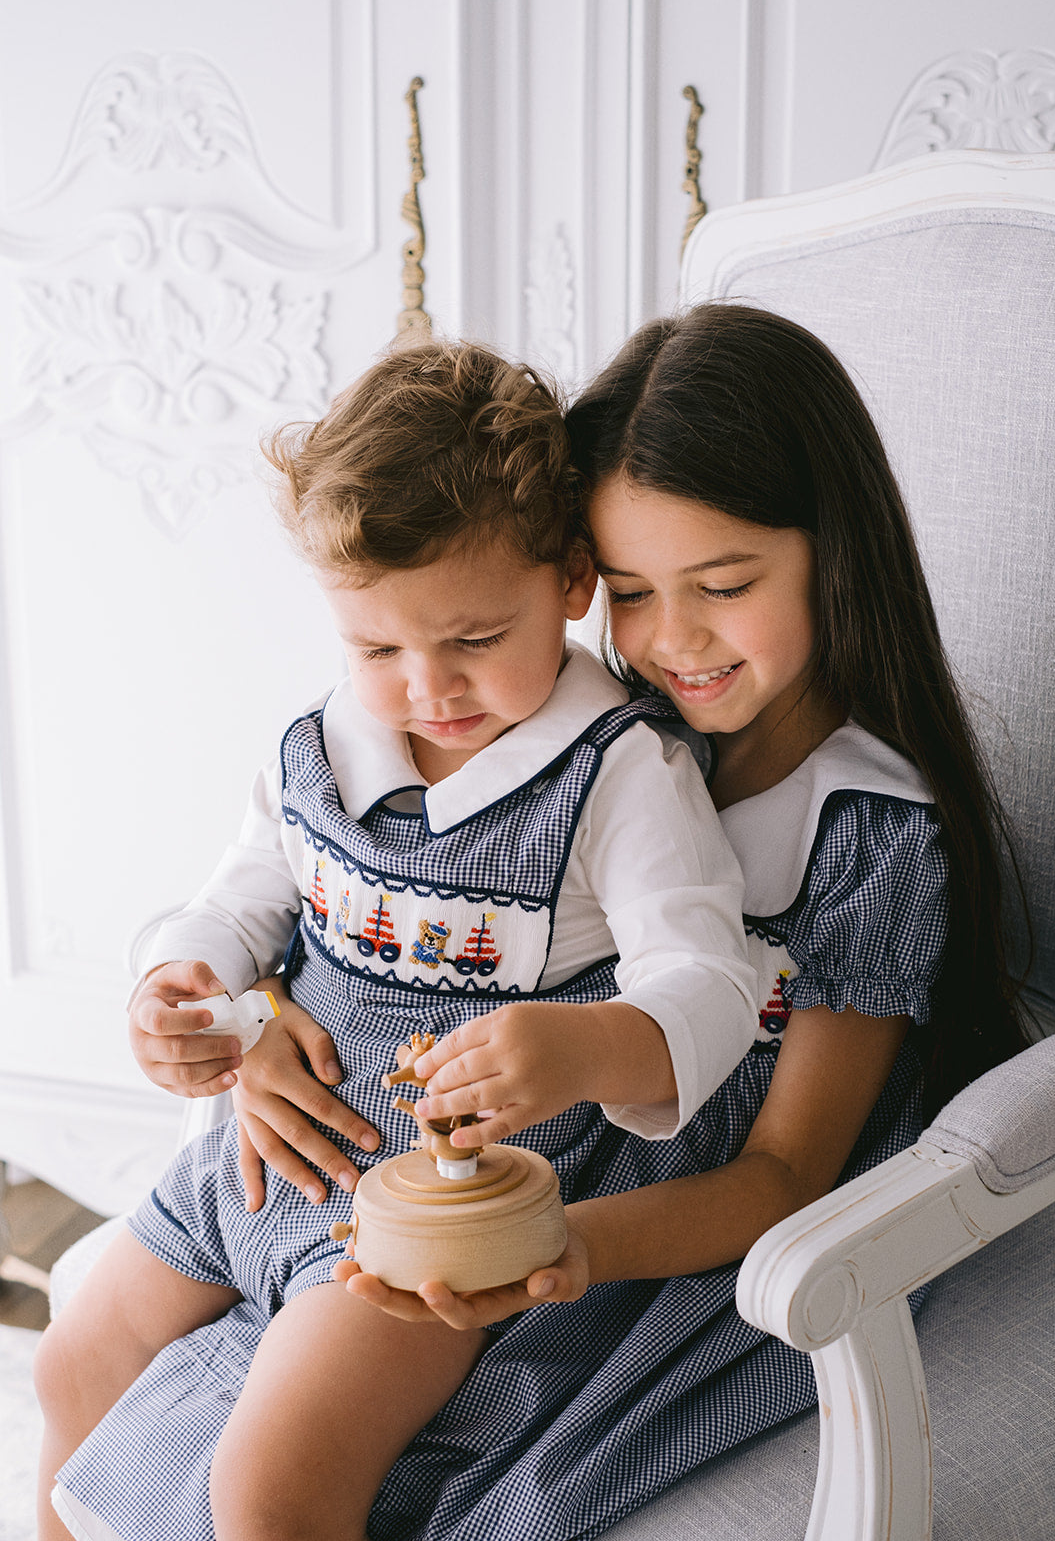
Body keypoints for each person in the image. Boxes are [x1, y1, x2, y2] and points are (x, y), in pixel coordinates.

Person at [35, 337, 759, 1541]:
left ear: (569, 582)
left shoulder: (616, 771)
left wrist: (582, 1048)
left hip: (428, 1210)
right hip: (263, 1156)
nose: (429, 687)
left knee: (272, 1480)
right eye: (377, 648)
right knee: (73, 1362)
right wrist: (189, 984)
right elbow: (242, 896)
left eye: (474, 638)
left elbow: (709, 985)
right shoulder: (324, 741)